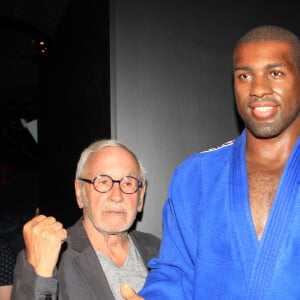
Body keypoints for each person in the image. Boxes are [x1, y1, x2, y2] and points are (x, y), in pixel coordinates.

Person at [120, 24, 300, 299]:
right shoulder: (195, 177)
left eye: (275, 73)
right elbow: (176, 274)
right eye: (244, 76)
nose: (258, 89)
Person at [11, 139, 160, 300]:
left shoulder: (160, 249)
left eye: (128, 183)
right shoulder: (48, 257)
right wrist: (41, 275)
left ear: (141, 196)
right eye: (103, 182)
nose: (117, 196)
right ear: (79, 191)